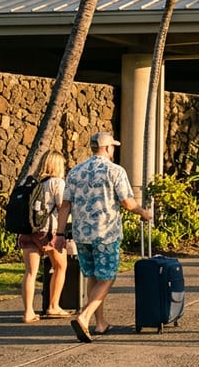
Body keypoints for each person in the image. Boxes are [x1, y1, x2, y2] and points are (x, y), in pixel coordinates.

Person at [53, 131, 152, 343]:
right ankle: (85, 316)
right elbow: (127, 202)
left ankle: (100, 324)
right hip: (106, 233)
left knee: (93, 276)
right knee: (107, 277)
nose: (114, 150)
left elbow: (65, 206)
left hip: (81, 234)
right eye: (113, 147)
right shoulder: (114, 171)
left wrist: (60, 234)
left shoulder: (75, 171)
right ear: (107, 148)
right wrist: (144, 213)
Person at [19, 151, 70, 323]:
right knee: (60, 266)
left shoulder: (31, 182)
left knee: (30, 272)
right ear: (58, 165)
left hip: (27, 231)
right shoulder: (57, 183)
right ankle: (53, 306)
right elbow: (63, 208)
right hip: (47, 232)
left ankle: (28, 312)